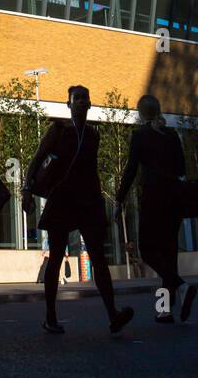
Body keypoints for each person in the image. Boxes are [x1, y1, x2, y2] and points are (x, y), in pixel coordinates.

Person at [23, 85, 134, 337]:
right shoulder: (59, 130)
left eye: (85, 98)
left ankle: (112, 314)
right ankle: (50, 317)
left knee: (98, 258)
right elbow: (38, 158)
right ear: (69, 104)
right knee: (56, 257)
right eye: (77, 99)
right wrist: (28, 189)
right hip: (62, 200)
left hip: (88, 202)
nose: (82, 102)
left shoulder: (94, 135)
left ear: (90, 104)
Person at [115, 94, 197, 324]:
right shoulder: (171, 135)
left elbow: (131, 170)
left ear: (140, 113)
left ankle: (181, 286)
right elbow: (181, 167)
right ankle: (165, 310)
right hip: (174, 198)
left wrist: (119, 200)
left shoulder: (140, 135)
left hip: (152, 197)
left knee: (148, 250)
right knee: (169, 253)